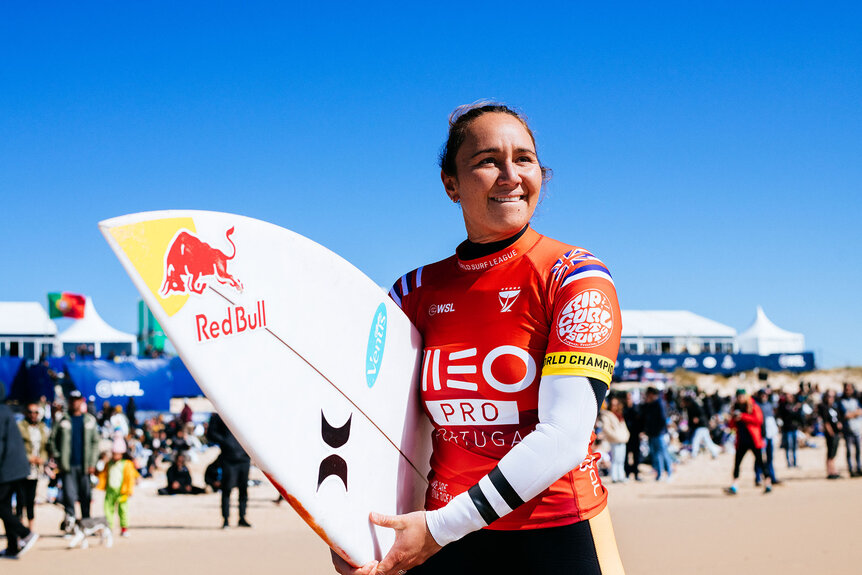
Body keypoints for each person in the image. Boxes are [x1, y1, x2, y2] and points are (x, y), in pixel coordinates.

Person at [333, 102, 624, 575]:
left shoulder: (575, 276)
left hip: (554, 530)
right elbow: (377, 427)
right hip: (439, 538)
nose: (511, 175)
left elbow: (566, 436)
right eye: (488, 160)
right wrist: (350, 531)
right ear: (451, 184)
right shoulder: (411, 293)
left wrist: (440, 527)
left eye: (524, 158)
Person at [0, 382, 39, 558]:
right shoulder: (6, 411)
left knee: (1, 506)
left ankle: (25, 534)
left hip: (7, 469)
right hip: (18, 468)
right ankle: (12, 547)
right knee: (5, 505)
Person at [49, 390, 101, 521]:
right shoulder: (62, 420)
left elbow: (95, 442)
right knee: (69, 496)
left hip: (85, 465)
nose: (74, 402)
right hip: (67, 465)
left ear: (81, 401)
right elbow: (52, 440)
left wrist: (92, 463)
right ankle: (70, 524)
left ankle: (86, 522)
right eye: (72, 399)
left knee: (86, 495)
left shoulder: (89, 420)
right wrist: (58, 457)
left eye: (77, 399)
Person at [207, 413, 251, 528]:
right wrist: (225, 441)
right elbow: (211, 433)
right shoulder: (220, 413)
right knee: (226, 490)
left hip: (244, 458)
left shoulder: (244, 412)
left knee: (243, 490)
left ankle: (242, 517)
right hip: (228, 458)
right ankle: (226, 519)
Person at [725, 390, 772, 495]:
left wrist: (743, 416)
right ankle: (734, 485)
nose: (740, 399)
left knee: (761, 462)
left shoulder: (753, 406)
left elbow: (758, 420)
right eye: (738, 397)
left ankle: (768, 483)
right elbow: (731, 426)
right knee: (737, 463)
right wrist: (733, 418)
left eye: (742, 396)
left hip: (754, 439)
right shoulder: (735, 407)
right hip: (741, 440)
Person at [16, 402, 50, 529]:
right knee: (21, 498)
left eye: (36, 412)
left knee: (31, 499)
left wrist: (42, 459)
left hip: (35, 470)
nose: (33, 415)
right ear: (26, 413)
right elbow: (17, 447)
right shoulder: (20, 426)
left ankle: (30, 529)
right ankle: (20, 528)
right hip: (21, 468)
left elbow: (45, 448)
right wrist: (29, 458)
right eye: (30, 412)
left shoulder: (42, 428)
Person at [96, 436, 139, 537]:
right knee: (108, 509)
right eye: (114, 453)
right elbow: (102, 474)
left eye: (117, 454)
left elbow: (132, 476)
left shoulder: (127, 464)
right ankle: (109, 528)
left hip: (122, 491)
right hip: (110, 490)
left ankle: (124, 528)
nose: (115, 456)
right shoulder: (109, 463)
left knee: (123, 510)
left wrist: (129, 489)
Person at [642, 387, 672, 481]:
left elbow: (663, 419)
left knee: (663, 453)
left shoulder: (659, 403)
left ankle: (669, 473)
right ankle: (659, 473)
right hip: (652, 433)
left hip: (659, 433)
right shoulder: (650, 404)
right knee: (656, 454)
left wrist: (659, 430)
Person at [599, 397, 630, 483]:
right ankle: (614, 477)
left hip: (622, 440)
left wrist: (625, 436)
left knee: (621, 459)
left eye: (616, 405)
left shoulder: (619, 415)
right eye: (613, 405)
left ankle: (620, 476)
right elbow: (606, 429)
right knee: (615, 459)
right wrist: (616, 436)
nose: (615, 406)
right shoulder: (607, 415)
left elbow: (624, 428)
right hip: (614, 440)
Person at [754, 389, 779, 486]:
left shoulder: (769, 405)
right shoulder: (757, 406)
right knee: (759, 458)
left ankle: (772, 477)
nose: (764, 396)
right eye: (762, 395)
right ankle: (758, 478)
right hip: (761, 435)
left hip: (770, 435)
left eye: (765, 395)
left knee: (770, 458)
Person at [837, 382, 862, 477]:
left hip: (857, 429)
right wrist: (855, 413)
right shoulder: (841, 401)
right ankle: (851, 469)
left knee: (858, 450)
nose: (848, 391)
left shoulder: (856, 400)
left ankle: (859, 468)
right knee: (849, 451)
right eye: (846, 389)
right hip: (847, 430)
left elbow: (859, 411)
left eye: (849, 389)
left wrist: (852, 414)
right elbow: (845, 415)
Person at [684, 395, 719, 459]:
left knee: (696, 440)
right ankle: (715, 453)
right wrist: (689, 426)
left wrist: (698, 419)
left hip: (702, 425)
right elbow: (690, 419)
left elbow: (703, 415)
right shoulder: (689, 407)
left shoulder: (696, 406)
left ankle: (694, 454)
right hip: (699, 427)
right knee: (707, 441)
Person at [819, 389, 842, 479]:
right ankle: (830, 471)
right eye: (829, 396)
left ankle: (834, 470)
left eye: (832, 396)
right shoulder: (824, 407)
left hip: (836, 433)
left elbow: (838, 419)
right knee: (830, 453)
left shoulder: (834, 407)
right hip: (830, 434)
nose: (831, 398)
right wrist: (831, 433)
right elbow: (826, 422)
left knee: (834, 453)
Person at [777, 392, 803, 468]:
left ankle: (795, 462)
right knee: (788, 446)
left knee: (795, 446)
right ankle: (789, 463)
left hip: (794, 428)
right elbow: (783, 416)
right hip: (787, 429)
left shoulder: (796, 405)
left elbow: (798, 417)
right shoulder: (783, 406)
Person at [623, 392, 643, 481]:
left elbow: (640, 421)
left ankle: (636, 474)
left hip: (635, 435)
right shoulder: (623, 409)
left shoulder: (636, 408)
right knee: (626, 456)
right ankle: (627, 473)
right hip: (625, 436)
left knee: (636, 455)